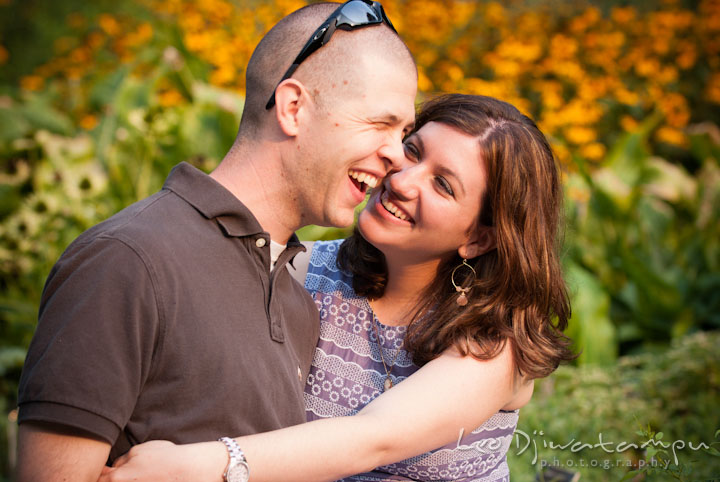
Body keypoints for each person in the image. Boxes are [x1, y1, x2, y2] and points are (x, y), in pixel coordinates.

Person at [15, 2, 417, 480]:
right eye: (379, 124)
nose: (397, 155)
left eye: (405, 133)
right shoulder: (128, 261)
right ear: (293, 108)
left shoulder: (297, 300)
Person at [98, 94, 575, 482]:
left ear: (479, 238)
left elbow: (374, 438)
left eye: (443, 185)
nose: (403, 181)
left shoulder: (497, 338)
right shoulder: (307, 271)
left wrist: (198, 465)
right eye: (412, 150)